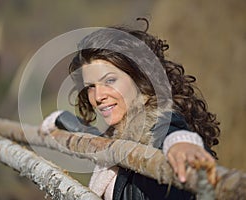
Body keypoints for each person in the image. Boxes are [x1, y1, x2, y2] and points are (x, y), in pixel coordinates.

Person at [40, 18, 220, 200]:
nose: (98, 96)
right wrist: (61, 119)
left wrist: (182, 144)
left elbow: (172, 132)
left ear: (139, 77)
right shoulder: (122, 133)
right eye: (91, 87)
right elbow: (98, 139)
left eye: (110, 80)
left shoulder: (158, 124)